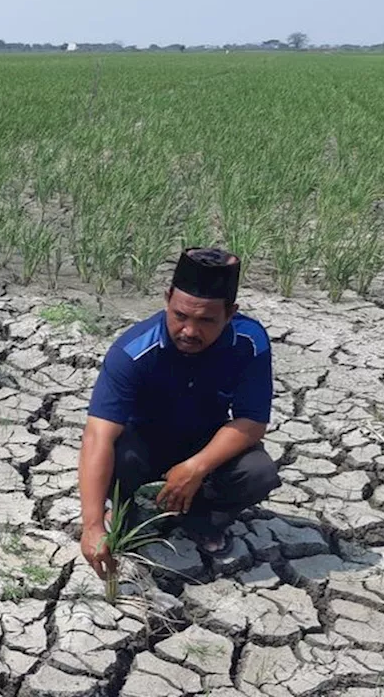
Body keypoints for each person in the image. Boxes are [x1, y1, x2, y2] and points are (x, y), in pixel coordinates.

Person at [77, 247, 282, 579]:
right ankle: (127, 514)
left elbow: (252, 422)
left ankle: (199, 519)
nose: (189, 330)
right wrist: (91, 524)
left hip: (203, 445)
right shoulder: (133, 351)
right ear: (167, 298)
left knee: (258, 471)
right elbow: (97, 436)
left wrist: (195, 467)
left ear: (231, 313)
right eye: (180, 315)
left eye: (206, 320)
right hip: (143, 446)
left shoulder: (249, 342)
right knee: (118, 454)